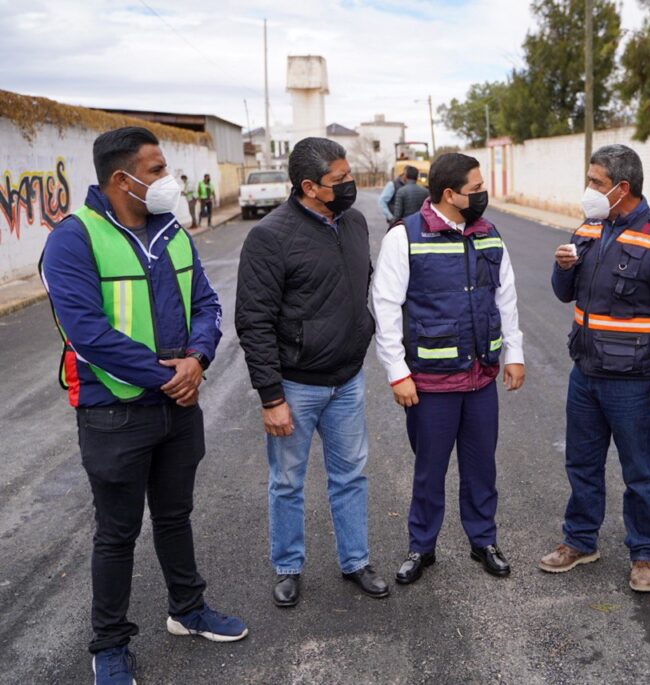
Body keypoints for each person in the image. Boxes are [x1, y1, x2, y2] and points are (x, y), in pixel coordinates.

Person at [39, 126, 246, 685]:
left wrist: (199, 358)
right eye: (156, 170)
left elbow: (206, 302)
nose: (167, 180)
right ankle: (109, 643)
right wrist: (167, 377)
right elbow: (87, 333)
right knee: (117, 532)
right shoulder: (73, 239)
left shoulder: (173, 231)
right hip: (114, 412)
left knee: (175, 516)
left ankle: (188, 610)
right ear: (120, 179)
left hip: (178, 405)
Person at [235, 137, 388, 608]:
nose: (349, 185)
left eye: (348, 175)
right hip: (296, 386)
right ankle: (287, 566)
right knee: (287, 481)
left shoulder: (355, 222)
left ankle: (355, 560)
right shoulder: (270, 236)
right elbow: (253, 320)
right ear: (308, 186)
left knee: (350, 476)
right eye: (338, 180)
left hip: (347, 379)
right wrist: (271, 397)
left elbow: (362, 284)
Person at [540, 144, 650, 593]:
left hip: (633, 382)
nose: (588, 190)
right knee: (582, 464)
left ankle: (644, 554)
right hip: (585, 374)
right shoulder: (588, 229)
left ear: (622, 188)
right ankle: (580, 540)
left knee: (639, 473)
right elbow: (564, 294)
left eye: (596, 182)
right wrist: (563, 267)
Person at [371, 152, 525, 585]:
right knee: (429, 470)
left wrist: (514, 354)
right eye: (475, 188)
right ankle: (422, 547)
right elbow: (385, 307)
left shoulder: (489, 234)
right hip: (430, 383)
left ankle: (483, 540)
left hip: (480, 380)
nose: (482, 194)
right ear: (449, 194)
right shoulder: (405, 238)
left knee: (482, 468)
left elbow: (505, 298)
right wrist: (397, 372)